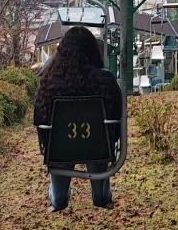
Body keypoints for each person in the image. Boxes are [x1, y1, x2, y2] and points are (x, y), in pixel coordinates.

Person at [33, 25, 122, 211]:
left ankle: (58, 198)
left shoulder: (49, 81)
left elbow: (40, 116)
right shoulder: (106, 80)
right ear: (93, 51)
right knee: (98, 148)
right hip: (99, 144)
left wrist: (46, 142)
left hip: (59, 147)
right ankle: (101, 196)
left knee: (60, 151)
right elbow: (116, 114)